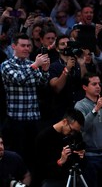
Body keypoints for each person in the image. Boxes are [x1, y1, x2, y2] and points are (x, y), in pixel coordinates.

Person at [0, 32, 50, 174]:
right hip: (16, 119)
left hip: (34, 118)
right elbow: (19, 79)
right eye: (23, 45)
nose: (26, 48)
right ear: (14, 46)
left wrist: (45, 71)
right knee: (19, 157)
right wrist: (35, 66)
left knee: (34, 157)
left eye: (28, 45)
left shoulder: (31, 64)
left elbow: (42, 84)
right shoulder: (6, 65)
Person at [34, 108, 85, 187]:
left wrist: (81, 155)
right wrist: (60, 161)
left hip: (72, 175)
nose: (72, 134)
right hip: (52, 179)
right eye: (72, 130)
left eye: (76, 132)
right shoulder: (43, 137)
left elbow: (80, 159)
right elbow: (40, 168)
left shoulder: (76, 135)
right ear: (65, 122)